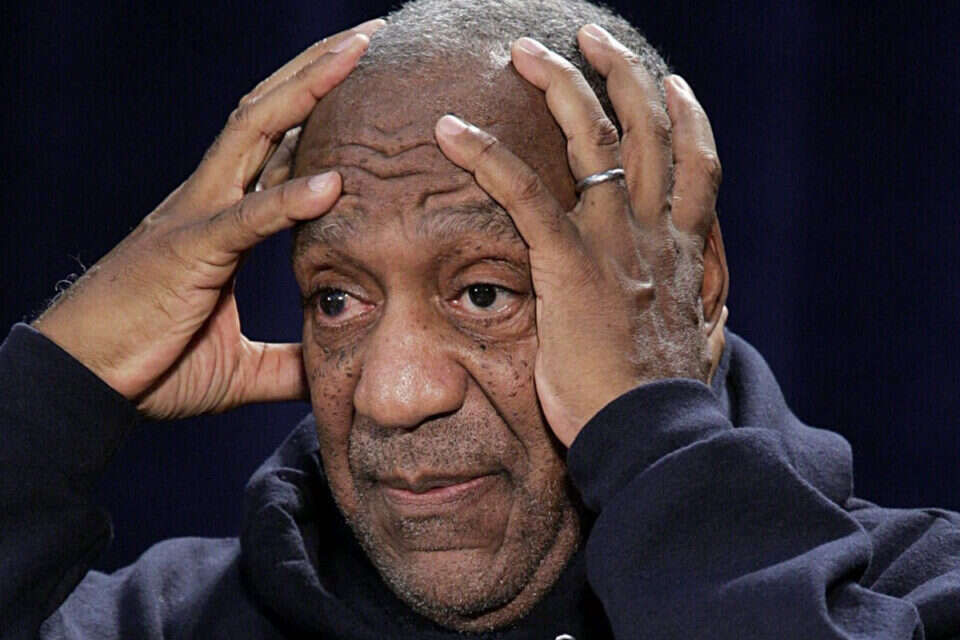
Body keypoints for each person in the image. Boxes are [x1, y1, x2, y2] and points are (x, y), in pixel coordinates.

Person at [1, 0, 958, 638]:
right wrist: (56, 391)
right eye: (337, 298)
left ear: (688, 285)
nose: (394, 394)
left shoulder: (919, 596)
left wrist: (653, 437)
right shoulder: (168, 622)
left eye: (485, 293)